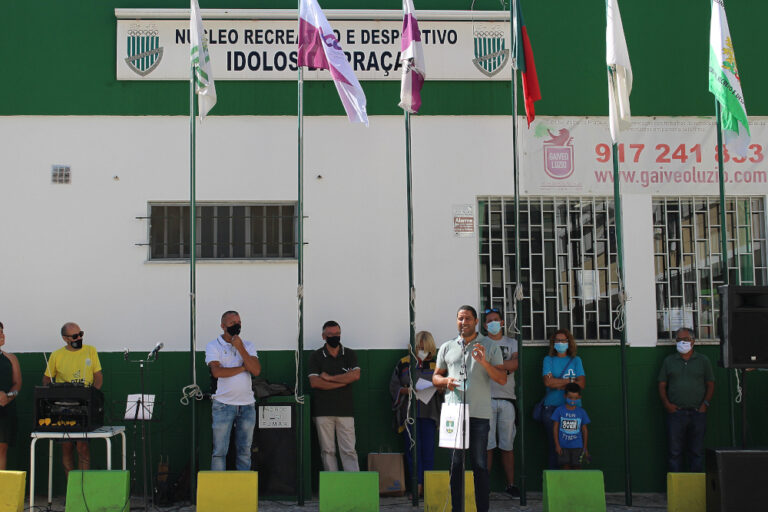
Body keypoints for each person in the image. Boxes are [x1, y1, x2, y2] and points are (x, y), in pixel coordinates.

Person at [433, 305, 506, 512]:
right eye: (459, 319)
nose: (463, 323)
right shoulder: (447, 347)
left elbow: (501, 378)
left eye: (467, 319)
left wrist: (484, 362)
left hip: (479, 414)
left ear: (475, 321)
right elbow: (435, 377)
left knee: (480, 465)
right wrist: (445, 380)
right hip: (455, 414)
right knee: (456, 466)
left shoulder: (489, 346)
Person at [43, 322, 103, 474]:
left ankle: (83, 486)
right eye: (75, 336)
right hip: (64, 406)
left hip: (85, 405)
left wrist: (92, 395)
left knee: (83, 446)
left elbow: (98, 377)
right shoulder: (56, 355)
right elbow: (46, 379)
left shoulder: (90, 350)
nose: (79, 338)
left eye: (81, 334)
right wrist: (53, 393)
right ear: (65, 338)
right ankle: (71, 488)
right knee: (67, 446)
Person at [205, 310, 261, 471]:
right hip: (223, 404)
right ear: (223, 326)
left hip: (247, 405)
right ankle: (219, 491)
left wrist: (241, 348)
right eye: (232, 323)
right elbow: (217, 372)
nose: (237, 326)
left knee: (245, 451)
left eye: (239, 323)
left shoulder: (248, 345)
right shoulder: (213, 345)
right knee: (219, 452)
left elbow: (256, 370)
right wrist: (244, 367)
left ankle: (243, 492)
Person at [389, 330, 443, 496]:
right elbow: (393, 386)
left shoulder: (436, 365)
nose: (421, 350)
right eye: (419, 347)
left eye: (425, 347)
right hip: (409, 414)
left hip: (429, 413)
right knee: (412, 451)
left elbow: (443, 388)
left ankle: (427, 487)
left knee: (427, 450)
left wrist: (439, 388)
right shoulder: (404, 363)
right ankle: (416, 485)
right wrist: (406, 391)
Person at [658, 327, 714, 472]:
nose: (682, 342)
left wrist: (705, 405)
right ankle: (676, 491)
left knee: (696, 452)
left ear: (693, 341)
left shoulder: (703, 361)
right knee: (674, 453)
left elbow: (710, 384)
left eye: (685, 339)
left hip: (698, 412)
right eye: (679, 340)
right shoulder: (669, 361)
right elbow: (662, 384)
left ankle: (695, 490)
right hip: (676, 413)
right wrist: (667, 404)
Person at [308, 320, 361, 471]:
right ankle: (332, 485)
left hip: (345, 411)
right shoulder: (316, 356)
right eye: (330, 334)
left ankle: (353, 485)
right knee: (327, 451)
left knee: (349, 450)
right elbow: (315, 382)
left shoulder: (349, 354)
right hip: (323, 411)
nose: (334, 337)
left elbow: (355, 375)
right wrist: (343, 380)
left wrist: (330, 378)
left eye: (337, 334)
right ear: (323, 336)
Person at [483, 308, 519, 497]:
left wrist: (492, 365)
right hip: (486, 400)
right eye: (489, 320)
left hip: (507, 400)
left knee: (507, 445)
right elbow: (482, 368)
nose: (493, 323)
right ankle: (485, 486)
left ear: (502, 322)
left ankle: (510, 484)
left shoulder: (512, 343)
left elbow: (515, 365)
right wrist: (502, 368)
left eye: (496, 320)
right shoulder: (480, 343)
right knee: (487, 445)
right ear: (484, 325)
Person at [540, 328, 585, 469]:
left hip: (572, 409)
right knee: (556, 447)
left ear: (569, 342)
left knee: (573, 447)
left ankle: (572, 484)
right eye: (557, 340)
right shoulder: (548, 360)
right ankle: (554, 485)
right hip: (552, 409)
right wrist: (570, 381)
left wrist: (558, 382)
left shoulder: (576, 360)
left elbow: (581, 384)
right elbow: (548, 382)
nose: (560, 343)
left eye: (563, 340)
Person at [551, 382, 590, 470]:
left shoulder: (582, 412)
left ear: (579, 398)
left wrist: (585, 447)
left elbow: (585, 430)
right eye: (570, 397)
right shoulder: (559, 410)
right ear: (565, 396)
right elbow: (555, 429)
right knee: (565, 468)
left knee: (577, 468)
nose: (573, 400)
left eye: (575, 398)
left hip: (578, 446)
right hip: (563, 447)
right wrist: (557, 445)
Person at [0, 321, 22, 470]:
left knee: (2, 448)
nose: (2, 335)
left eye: (2, 331)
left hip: (5, 410)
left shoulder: (10, 358)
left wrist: (8, 396)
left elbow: (17, 384)